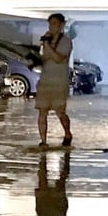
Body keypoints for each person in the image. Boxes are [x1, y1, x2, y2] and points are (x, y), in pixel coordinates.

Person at [35, 12, 73, 147]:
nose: (52, 27)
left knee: (60, 112)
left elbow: (58, 58)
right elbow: (43, 58)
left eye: (55, 24)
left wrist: (47, 45)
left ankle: (67, 133)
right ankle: (43, 141)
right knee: (42, 111)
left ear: (61, 25)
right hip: (45, 81)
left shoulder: (66, 41)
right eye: (50, 24)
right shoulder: (47, 40)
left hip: (59, 82)